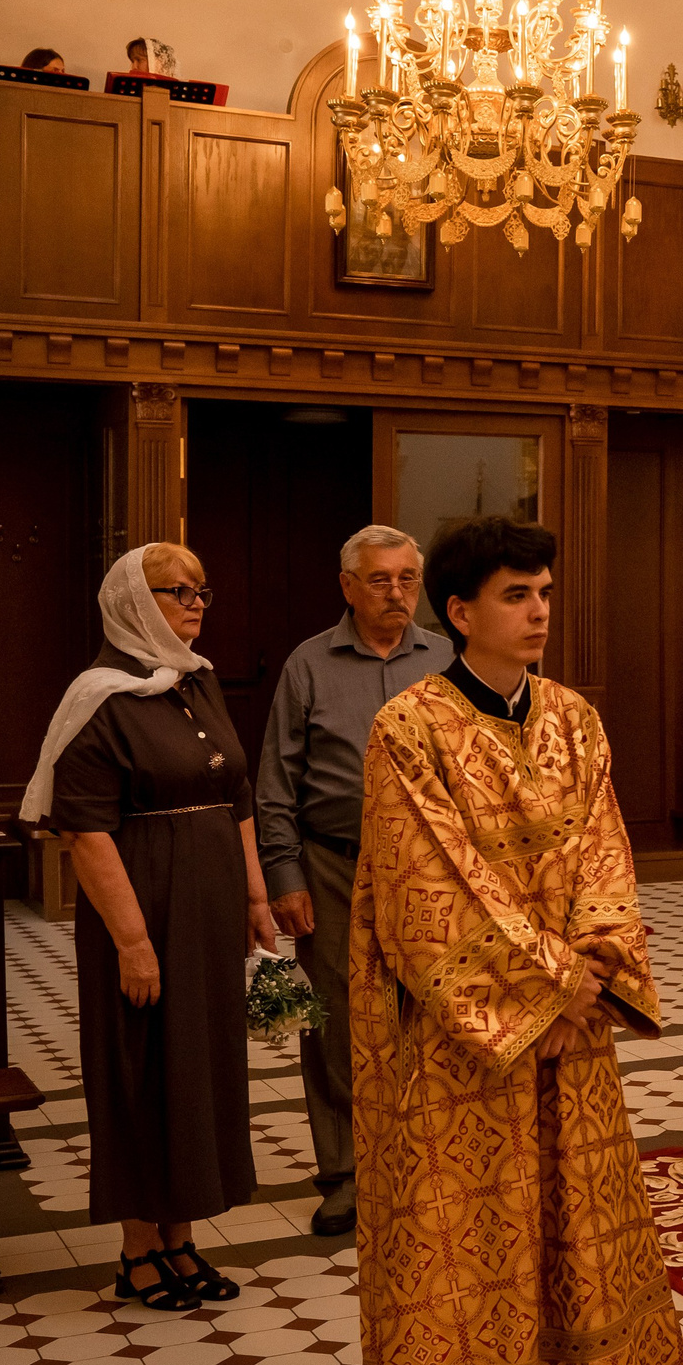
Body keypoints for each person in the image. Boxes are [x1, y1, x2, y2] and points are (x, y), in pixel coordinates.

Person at [350, 515, 683, 1365]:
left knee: (574, 1214)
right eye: (514, 594)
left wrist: (593, 957)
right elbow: (426, 882)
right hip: (464, 1032)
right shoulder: (406, 728)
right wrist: (548, 973)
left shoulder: (576, 720)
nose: (538, 610)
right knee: (466, 1229)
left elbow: (604, 850)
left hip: (569, 1015)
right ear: (459, 613)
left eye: (543, 592)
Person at [19, 545, 277, 1313]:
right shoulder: (98, 697)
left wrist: (256, 899)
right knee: (143, 1071)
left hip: (207, 913)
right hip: (143, 913)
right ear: (134, 601)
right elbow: (87, 834)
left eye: (203, 590)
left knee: (197, 1071)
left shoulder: (196, 683)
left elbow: (237, 798)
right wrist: (133, 940)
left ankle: (180, 1237)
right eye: (178, 591)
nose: (197, 603)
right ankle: (137, 1251)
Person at [254, 525, 447, 1238]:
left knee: (425, 1014)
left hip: (429, 865)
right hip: (333, 862)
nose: (396, 593)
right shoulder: (309, 664)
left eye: (406, 579)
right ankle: (343, 1174)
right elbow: (276, 778)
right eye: (379, 579)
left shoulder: (448, 658)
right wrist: (284, 873)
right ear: (348, 586)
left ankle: (423, 1164)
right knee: (334, 1016)